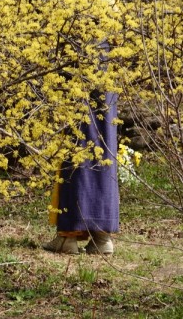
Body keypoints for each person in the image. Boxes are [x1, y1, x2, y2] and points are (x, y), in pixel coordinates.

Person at [43, 89, 119, 255]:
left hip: (80, 77)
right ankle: (102, 238)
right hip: (109, 74)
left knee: (78, 140)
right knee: (104, 138)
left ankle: (68, 236)